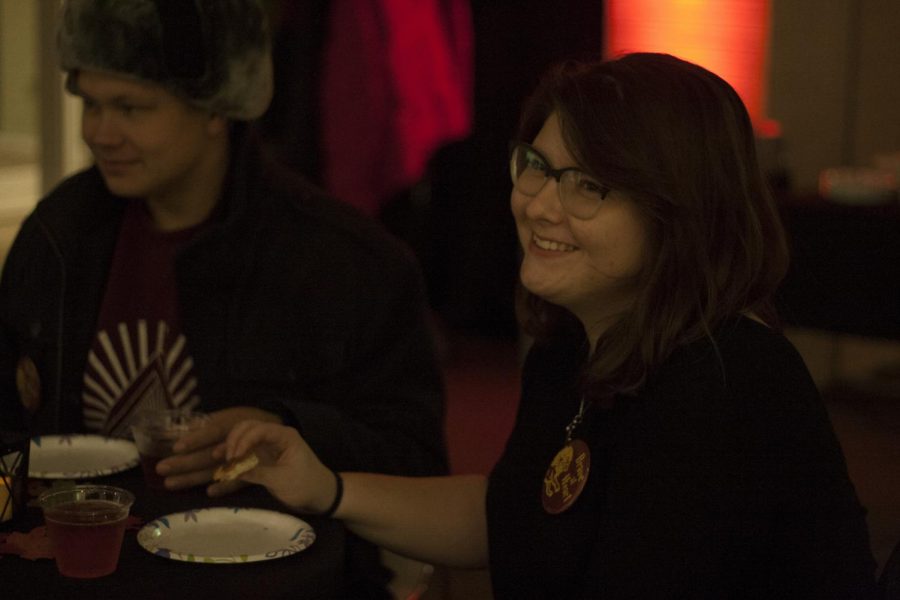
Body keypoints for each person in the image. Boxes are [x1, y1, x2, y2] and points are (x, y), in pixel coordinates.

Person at [216, 53, 880, 599]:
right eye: (536, 168)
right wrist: (326, 486)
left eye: (587, 185)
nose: (538, 206)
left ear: (680, 213)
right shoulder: (572, 349)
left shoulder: (725, 383)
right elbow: (511, 513)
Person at [0, 1, 446, 595]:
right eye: (90, 102)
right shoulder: (57, 236)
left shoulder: (345, 263)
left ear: (217, 109)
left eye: (130, 107)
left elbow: (415, 462)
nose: (97, 132)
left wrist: (286, 428)